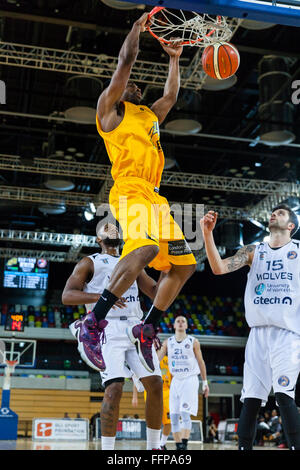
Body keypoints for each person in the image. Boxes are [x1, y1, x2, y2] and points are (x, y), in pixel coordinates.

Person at [79, 11, 197, 375]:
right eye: (130, 87)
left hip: (155, 196)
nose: (136, 88)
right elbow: (125, 63)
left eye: (137, 89)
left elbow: (172, 94)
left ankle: (146, 327)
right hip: (129, 190)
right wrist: (136, 29)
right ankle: (93, 323)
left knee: (184, 266)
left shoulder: (148, 115)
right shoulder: (110, 114)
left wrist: (174, 59)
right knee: (144, 249)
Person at [200, 204, 300, 450]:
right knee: (252, 399)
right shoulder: (254, 250)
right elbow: (218, 268)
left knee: (285, 395)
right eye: (273, 212)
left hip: (287, 334)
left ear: (291, 226)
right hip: (257, 335)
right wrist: (207, 233)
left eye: (281, 213)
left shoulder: (298, 252)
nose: (274, 213)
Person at [62, 223, 163, 450]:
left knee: (155, 383)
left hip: (136, 327)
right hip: (107, 328)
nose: (111, 227)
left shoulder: (132, 260)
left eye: (114, 225)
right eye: (104, 226)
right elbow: (67, 296)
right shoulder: (90, 262)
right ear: (98, 239)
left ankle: (155, 447)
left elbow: (156, 292)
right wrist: (105, 296)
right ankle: (108, 449)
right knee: (114, 389)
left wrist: (168, 271)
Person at [157, 315, 209, 450]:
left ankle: (184, 445)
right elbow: (157, 360)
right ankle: (178, 444)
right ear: (174, 325)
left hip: (189, 379)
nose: (180, 323)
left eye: (183, 321)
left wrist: (205, 382)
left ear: (186, 326)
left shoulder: (193, 341)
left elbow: (201, 362)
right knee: (173, 417)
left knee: (185, 414)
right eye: (178, 321)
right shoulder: (168, 342)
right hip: (175, 381)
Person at [132, 354, 172, 450]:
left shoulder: (168, 360)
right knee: (152, 419)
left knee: (169, 421)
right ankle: (153, 444)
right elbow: (136, 377)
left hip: (167, 392)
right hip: (150, 391)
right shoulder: (146, 358)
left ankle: (162, 444)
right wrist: (135, 396)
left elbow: (174, 376)